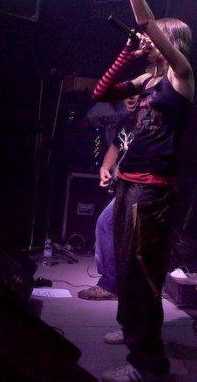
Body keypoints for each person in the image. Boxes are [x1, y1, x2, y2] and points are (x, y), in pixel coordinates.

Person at [93, 0, 194, 382]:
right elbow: (101, 92)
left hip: (151, 191)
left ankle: (147, 366)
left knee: (142, 275)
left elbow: (148, 23)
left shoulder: (181, 77)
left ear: (170, 42)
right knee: (126, 270)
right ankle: (133, 337)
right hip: (128, 183)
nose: (146, 40)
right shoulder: (148, 81)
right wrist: (126, 52)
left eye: (154, 38)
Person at [78, 95, 138, 301]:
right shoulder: (126, 123)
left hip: (142, 187)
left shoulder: (151, 125)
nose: (130, 102)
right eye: (128, 99)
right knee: (106, 224)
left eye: (135, 98)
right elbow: (114, 147)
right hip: (126, 186)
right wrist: (105, 168)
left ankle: (113, 284)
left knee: (113, 227)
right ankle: (113, 282)